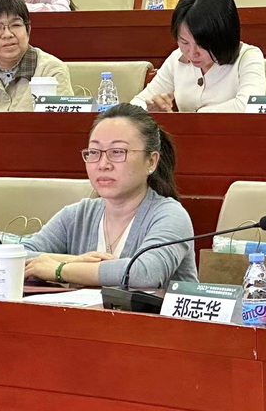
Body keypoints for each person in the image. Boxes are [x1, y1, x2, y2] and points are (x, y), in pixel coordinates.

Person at [23, 103, 198, 288]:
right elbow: (15, 256)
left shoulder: (170, 215)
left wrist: (60, 269)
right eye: (94, 152)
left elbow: (144, 273)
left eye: (117, 152)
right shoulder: (77, 215)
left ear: (151, 161)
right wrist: (73, 260)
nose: (103, 164)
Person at [130, 0, 265, 112]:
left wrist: (194, 116)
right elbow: (138, 103)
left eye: (201, 44)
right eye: (184, 42)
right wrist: (150, 110)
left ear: (223, 37)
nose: (192, 53)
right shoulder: (176, 58)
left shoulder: (248, 56)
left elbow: (248, 106)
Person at [0, 0, 72, 111]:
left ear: (28, 30)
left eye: (15, 25)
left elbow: (61, 120)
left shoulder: (50, 70)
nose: (7, 34)